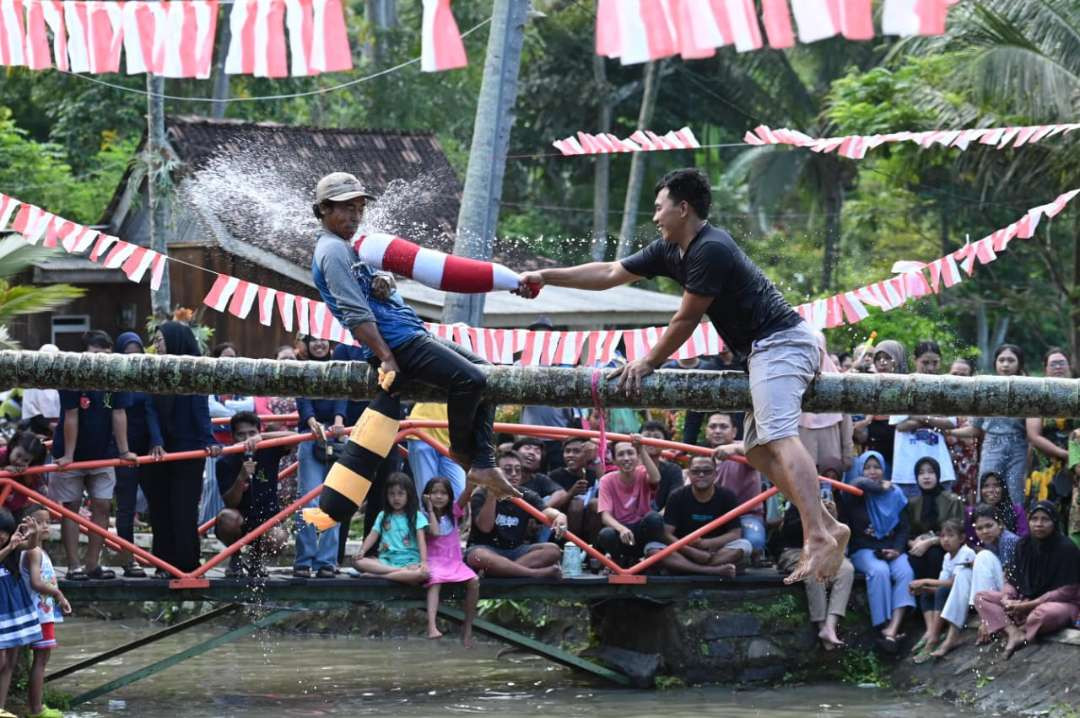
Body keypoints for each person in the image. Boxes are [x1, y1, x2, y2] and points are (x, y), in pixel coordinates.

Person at [516, 167, 848, 582]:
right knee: (759, 451)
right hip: (760, 354)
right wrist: (546, 277)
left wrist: (648, 361)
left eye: (659, 208)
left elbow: (686, 319)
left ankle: (817, 535)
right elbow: (609, 273)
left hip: (781, 344)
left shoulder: (712, 249)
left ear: (683, 208)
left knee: (779, 436)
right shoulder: (669, 250)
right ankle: (828, 526)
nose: (655, 217)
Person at [309, 172, 517, 500]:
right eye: (345, 207)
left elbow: (372, 294)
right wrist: (388, 358)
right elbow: (355, 313)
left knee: (484, 367)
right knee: (472, 380)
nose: (355, 215)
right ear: (323, 210)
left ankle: (484, 460)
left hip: (408, 332)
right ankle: (464, 454)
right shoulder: (333, 251)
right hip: (397, 343)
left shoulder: (348, 249)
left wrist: (385, 283)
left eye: (359, 207)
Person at [51, 330, 137, 581]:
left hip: (104, 452)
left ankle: (92, 564)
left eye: (105, 355)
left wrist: (123, 451)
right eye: (96, 354)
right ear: (85, 352)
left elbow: (119, 413)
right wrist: (68, 455)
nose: (100, 359)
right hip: (73, 452)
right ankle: (73, 565)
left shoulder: (115, 376)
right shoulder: (72, 373)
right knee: (71, 508)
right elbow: (71, 415)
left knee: (102, 505)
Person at [143, 322, 222, 574]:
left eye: (161, 340)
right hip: (159, 449)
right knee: (159, 508)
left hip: (188, 448)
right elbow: (150, 409)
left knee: (184, 506)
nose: (157, 345)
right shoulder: (153, 370)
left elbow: (201, 408)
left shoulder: (194, 369)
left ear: (176, 341)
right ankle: (162, 564)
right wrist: (156, 440)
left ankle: (187, 565)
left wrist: (208, 440)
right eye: (155, 340)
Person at [974, 501, 1080, 658]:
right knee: (981, 597)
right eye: (1034, 519)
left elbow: (1068, 591)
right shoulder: (1023, 545)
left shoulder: (1066, 548)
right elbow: (1012, 579)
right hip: (1024, 600)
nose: (1039, 524)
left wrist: (1028, 605)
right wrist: (1007, 598)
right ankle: (1013, 632)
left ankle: (1021, 629)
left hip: (1061, 604)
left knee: (1041, 615)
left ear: (1054, 522)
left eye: (1045, 519)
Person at [838, 451, 914, 652]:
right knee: (879, 571)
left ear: (884, 469)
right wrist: (879, 487)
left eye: (877, 467)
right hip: (864, 549)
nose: (872, 471)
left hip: (891, 548)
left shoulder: (895, 493)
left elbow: (904, 527)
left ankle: (894, 626)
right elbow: (856, 484)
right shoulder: (855, 494)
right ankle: (881, 626)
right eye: (867, 467)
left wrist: (897, 550)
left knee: (905, 571)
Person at [293, 336, 349, 579]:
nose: (318, 345)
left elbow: (343, 397)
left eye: (323, 341)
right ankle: (304, 559)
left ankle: (326, 560)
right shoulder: (302, 369)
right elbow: (302, 401)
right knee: (309, 500)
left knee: (333, 500)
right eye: (313, 340)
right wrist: (312, 423)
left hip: (335, 437)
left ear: (330, 344)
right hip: (310, 435)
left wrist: (338, 421)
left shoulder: (339, 368)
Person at [215, 412, 293, 578]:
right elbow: (230, 502)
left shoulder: (268, 449)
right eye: (241, 434)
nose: (247, 438)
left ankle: (257, 559)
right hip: (240, 519)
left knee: (279, 536)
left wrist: (262, 437)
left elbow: (295, 437)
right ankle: (234, 558)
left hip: (266, 519)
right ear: (233, 436)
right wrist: (241, 477)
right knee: (226, 518)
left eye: (251, 433)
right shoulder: (225, 461)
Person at [465, 452, 567, 579]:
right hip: (486, 549)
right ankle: (535, 574)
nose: (514, 474)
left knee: (553, 550)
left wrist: (560, 516)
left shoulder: (526, 494)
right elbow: (485, 527)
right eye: (507, 470)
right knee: (478, 556)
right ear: (496, 473)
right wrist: (492, 494)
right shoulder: (481, 494)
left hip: (516, 551)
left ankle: (499, 572)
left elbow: (546, 511)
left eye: (518, 470)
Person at [949, 344, 1029, 502]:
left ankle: (1014, 527)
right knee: (988, 491)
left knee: (1014, 493)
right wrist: (949, 432)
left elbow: (1033, 432)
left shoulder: (1028, 388)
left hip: (1018, 445)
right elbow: (976, 428)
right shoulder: (985, 389)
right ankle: (985, 525)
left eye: (1011, 360)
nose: (1005, 364)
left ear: (1019, 364)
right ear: (995, 363)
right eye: (1002, 360)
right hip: (992, 445)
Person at [645, 454, 747, 576]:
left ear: (715, 474)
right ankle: (710, 570)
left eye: (707, 471)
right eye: (696, 471)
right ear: (689, 474)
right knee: (652, 549)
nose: (701, 475)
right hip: (683, 548)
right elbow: (667, 533)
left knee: (744, 546)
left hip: (715, 550)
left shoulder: (727, 496)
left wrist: (705, 544)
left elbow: (735, 533)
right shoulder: (677, 496)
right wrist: (692, 551)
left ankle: (683, 567)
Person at [777, 491, 854, 650]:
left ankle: (830, 626)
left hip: (825, 551)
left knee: (847, 569)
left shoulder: (836, 499)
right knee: (812, 570)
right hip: (796, 551)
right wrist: (814, 516)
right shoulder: (796, 500)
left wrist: (832, 518)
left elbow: (844, 534)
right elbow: (788, 533)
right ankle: (822, 625)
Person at [113, 331, 162, 578]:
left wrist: (157, 441)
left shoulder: (146, 379)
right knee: (126, 506)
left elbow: (152, 411)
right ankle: (128, 558)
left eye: (137, 354)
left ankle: (162, 558)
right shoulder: (112, 381)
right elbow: (110, 414)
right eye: (127, 355)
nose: (133, 360)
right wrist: (121, 450)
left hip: (145, 447)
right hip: (122, 451)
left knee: (158, 502)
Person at [18, 504, 70, 718]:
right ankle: (37, 709)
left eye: (48, 522)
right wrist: (58, 595)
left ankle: (35, 706)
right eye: (40, 522)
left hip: (41, 612)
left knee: (40, 659)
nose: (46, 526)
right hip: (39, 614)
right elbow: (37, 582)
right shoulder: (33, 552)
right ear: (28, 524)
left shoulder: (37, 551)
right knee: (41, 660)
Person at [905, 457, 965, 643]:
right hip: (920, 549)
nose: (926, 477)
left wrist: (930, 542)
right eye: (921, 473)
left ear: (938, 475)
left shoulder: (951, 500)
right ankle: (926, 623)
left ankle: (938, 623)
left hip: (944, 548)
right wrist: (914, 543)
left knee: (933, 556)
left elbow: (956, 532)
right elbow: (907, 533)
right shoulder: (913, 503)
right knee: (914, 560)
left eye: (930, 472)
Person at [891, 341, 957, 496]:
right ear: (915, 360)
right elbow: (900, 425)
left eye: (935, 363)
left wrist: (916, 416)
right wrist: (932, 417)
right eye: (925, 363)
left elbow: (950, 423)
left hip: (940, 467)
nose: (930, 368)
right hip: (907, 468)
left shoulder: (945, 387)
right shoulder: (903, 386)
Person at [907, 519, 976, 661]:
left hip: (966, 595)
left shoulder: (966, 553)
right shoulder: (946, 556)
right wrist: (925, 588)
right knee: (926, 592)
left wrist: (925, 581)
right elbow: (940, 583)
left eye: (951, 536)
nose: (945, 540)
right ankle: (930, 630)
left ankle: (933, 637)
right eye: (943, 536)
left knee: (940, 591)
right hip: (950, 592)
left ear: (962, 538)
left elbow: (953, 584)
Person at [421, 477, 478, 646]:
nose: (439, 496)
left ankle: (467, 627)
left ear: (449, 496)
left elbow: (467, 492)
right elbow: (435, 533)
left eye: (443, 493)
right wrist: (431, 510)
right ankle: (432, 625)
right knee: (435, 581)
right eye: (434, 493)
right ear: (427, 496)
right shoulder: (423, 516)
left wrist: (472, 475)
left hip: (454, 562)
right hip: (434, 561)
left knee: (474, 581)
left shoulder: (454, 512)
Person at [595, 436, 664, 566]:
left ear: (637, 457)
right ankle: (617, 562)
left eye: (630, 453)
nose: (626, 458)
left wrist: (641, 448)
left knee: (654, 518)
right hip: (621, 531)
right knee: (606, 534)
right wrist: (621, 529)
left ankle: (650, 559)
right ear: (614, 461)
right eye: (621, 455)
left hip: (641, 529)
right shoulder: (606, 480)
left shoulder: (643, 472)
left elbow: (656, 479)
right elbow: (605, 516)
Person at [707, 413, 767, 558]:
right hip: (711, 516)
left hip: (745, 516)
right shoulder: (701, 455)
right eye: (713, 426)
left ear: (734, 431)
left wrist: (734, 449)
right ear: (706, 431)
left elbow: (765, 453)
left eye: (723, 427)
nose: (717, 431)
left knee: (755, 542)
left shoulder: (745, 448)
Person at [353, 473, 430, 585]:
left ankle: (379, 576)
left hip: (410, 561)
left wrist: (423, 562)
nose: (396, 498)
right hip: (386, 561)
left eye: (400, 494)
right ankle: (399, 573)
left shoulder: (417, 516)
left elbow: (421, 540)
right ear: (386, 496)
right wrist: (362, 551)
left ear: (408, 495)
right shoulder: (383, 515)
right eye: (391, 494)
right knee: (357, 562)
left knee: (422, 574)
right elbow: (373, 535)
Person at [0, 509, 40, 718]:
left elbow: (31, 545)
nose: (3, 536)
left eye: (6, 532)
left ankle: (1, 706)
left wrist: (33, 533)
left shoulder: (12, 547)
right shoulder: (9, 548)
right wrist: (10, 546)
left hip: (13, 609)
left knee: (11, 661)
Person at [798, 332, 854, 476]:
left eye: (817, 351)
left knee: (830, 489)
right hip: (802, 448)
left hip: (832, 451)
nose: (813, 357)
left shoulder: (837, 382)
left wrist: (847, 454)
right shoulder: (795, 381)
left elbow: (846, 423)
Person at [1025, 349, 1075, 506]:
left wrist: (1074, 457)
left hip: (1077, 460)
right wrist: (1064, 454)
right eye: (1053, 364)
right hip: (1045, 462)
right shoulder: (1038, 394)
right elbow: (1034, 435)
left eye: (1062, 363)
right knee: (1044, 509)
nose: (1058, 367)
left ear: (1070, 366)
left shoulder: (1077, 391)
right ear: (1045, 368)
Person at [852, 340, 906, 480]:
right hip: (875, 452)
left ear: (898, 359)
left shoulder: (908, 385)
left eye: (888, 357)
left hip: (901, 449)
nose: (882, 362)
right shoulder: (867, 385)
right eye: (878, 358)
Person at [968, 503, 1021, 645]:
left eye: (989, 526)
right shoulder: (991, 542)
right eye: (979, 528)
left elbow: (1009, 578)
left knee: (982, 557)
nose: (984, 531)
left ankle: (986, 618)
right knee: (964, 573)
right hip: (1003, 591)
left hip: (1015, 592)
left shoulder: (1008, 540)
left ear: (1000, 524)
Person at [407, 402, 466, 500]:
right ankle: (430, 515)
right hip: (423, 430)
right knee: (428, 496)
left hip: (454, 439)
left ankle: (454, 515)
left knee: (459, 497)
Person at [547, 437, 599, 541]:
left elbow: (604, 486)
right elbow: (549, 506)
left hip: (589, 523)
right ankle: (571, 548)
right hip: (563, 524)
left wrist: (595, 458)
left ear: (586, 454)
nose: (570, 455)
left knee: (596, 503)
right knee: (576, 504)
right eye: (567, 451)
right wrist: (571, 493)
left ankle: (594, 550)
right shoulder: (555, 475)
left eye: (576, 451)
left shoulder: (593, 474)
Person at [945, 357, 981, 504]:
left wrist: (949, 432)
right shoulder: (941, 399)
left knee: (968, 503)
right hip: (945, 459)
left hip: (969, 461)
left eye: (963, 375)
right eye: (954, 374)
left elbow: (977, 430)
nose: (958, 379)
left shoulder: (976, 402)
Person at [964, 471, 1028, 545]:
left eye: (996, 485)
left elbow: (1024, 539)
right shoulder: (972, 512)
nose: (991, 490)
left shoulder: (1016, 510)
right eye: (986, 486)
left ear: (1003, 488)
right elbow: (969, 542)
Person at [640, 420, 685, 510]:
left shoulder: (673, 470)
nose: (651, 441)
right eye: (647, 436)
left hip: (662, 519)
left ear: (665, 443)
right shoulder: (630, 465)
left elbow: (675, 500)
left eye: (657, 437)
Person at [2, 432, 46, 515]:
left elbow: (38, 488)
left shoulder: (32, 471)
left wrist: (26, 474)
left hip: (16, 508)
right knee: (7, 521)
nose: (19, 461)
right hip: (4, 508)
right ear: (12, 446)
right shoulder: (1, 454)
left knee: (41, 512)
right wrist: (3, 470)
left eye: (26, 460)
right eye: (18, 455)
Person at [19, 344, 59, 423]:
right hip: (39, 428)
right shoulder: (32, 381)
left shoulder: (58, 379)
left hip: (60, 425)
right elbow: (30, 408)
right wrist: (48, 424)